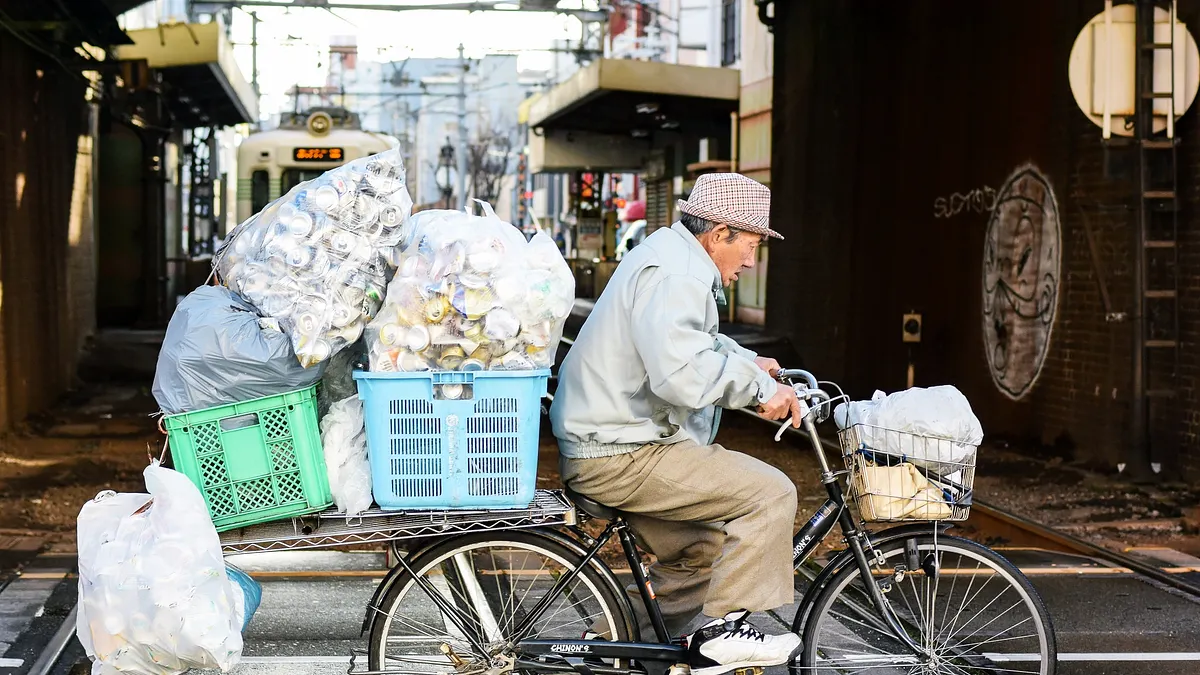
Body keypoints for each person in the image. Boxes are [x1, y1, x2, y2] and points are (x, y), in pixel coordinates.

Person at [549, 173, 804, 675]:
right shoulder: (679, 275)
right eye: (750, 245)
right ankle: (726, 632)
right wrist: (760, 392)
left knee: (701, 547)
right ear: (720, 232)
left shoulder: (672, 257)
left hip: (610, 438)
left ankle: (611, 649)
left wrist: (749, 361)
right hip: (621, 451)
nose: (751, 261)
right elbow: (682, 373)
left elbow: (691, 343)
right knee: (772, 493)